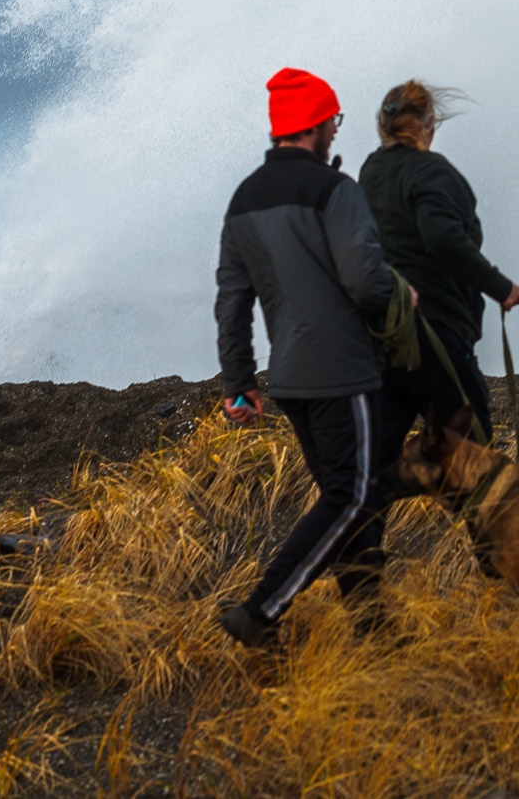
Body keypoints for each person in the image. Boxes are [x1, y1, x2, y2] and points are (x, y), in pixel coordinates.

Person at [214, 67, 403, 646]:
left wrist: (240, 384)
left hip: (290, 379)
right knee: (354, 496)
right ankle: (262, 609)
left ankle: (375, 632)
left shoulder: (243, 200)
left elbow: (232, 302)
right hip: (343, 372)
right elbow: (367, 282)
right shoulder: (334, 191)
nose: (335, 134)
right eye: (333, 123)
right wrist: (402, 296)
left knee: (349, 504)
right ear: (314, 126)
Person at [358, 80, 519, 444]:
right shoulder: (431, 171)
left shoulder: (370, 172)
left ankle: (355, 502)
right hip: (432, 329)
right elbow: (443, 239)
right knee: (472, 445)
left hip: (382, 333)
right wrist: (501, 288)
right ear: (429, 126)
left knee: (378, 461)